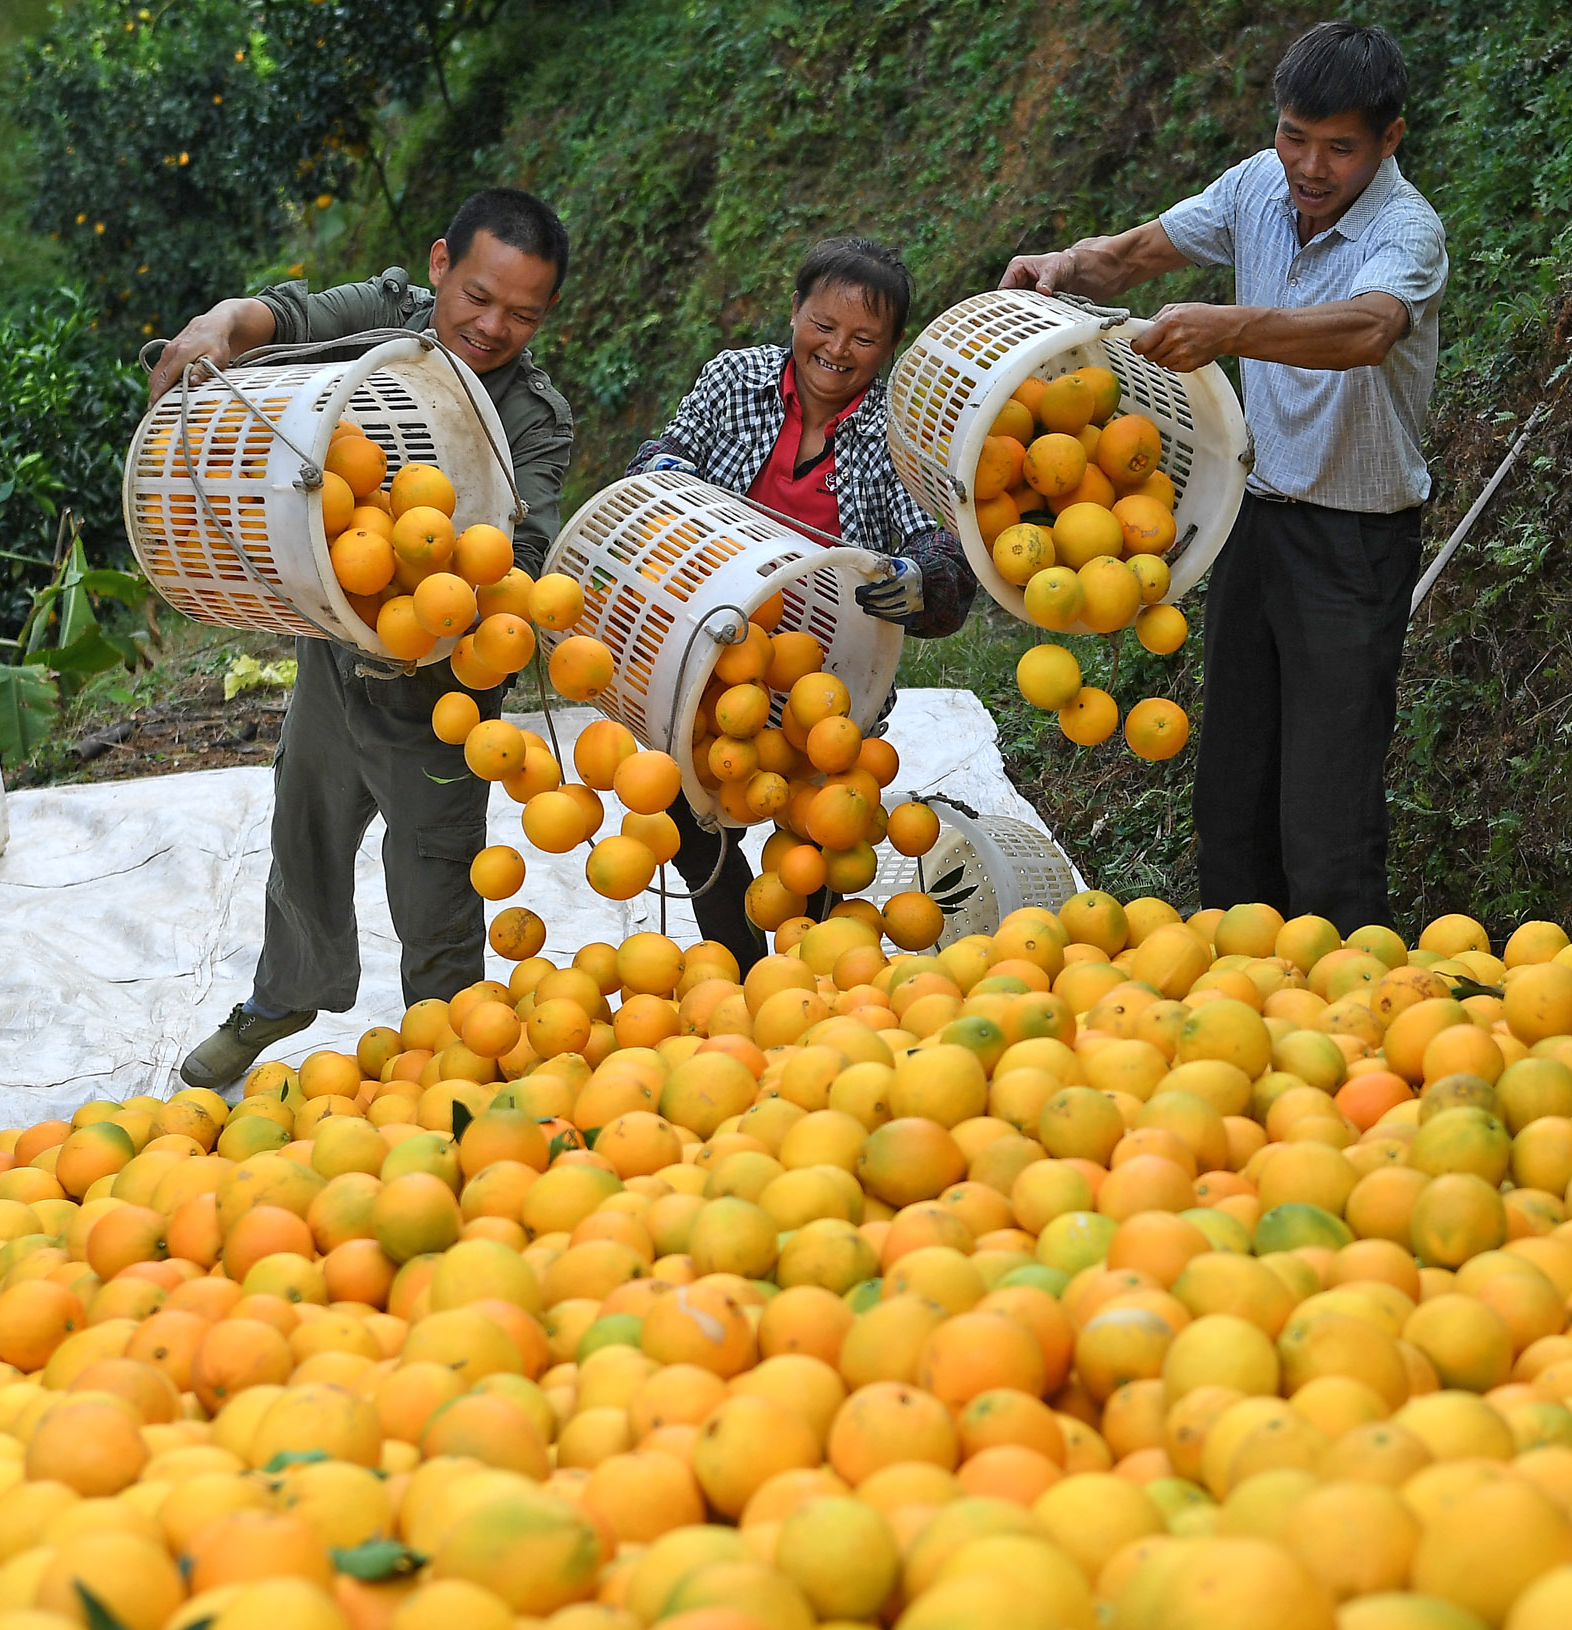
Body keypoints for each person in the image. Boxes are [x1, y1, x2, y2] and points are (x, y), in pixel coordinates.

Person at [1000, 22, 1444, 933]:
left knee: (1327, 812)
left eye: (1339, 147)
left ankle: (1350, 1009)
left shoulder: (1407, 231)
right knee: (1232, 795)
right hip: (1254, 522)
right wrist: (1064, 265)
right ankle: (1240, 999)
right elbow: (1136, 254)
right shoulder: (1256, 185)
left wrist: (1233, 326)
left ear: (1389, 141)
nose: (1310, 166)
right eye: (1293, 135)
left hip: (1353, 545)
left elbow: (1366, 331)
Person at [146, 190, 578, 1093]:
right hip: (333, 647)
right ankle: (281, 999)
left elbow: (522, 554)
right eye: (478, 297)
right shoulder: (392, 319)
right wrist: (223, 322)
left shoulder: (533, 418)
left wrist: (450, 606)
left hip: (446, 687)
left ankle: (451, 1046)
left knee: (435, 874)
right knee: (305, 830)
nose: (493, 327)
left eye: (523, 315)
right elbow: (290, 316)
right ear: (439, 267)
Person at [630, 235, 975, 964]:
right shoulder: (734, 381)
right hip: (713, 656)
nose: (838, 349)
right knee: (696, 825)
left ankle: (809, 986)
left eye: (864, 338)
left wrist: (919, 579)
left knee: (816, 852)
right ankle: (745, 979)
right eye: (823, 324)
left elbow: (942, 553)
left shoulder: (898, 433)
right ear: (794, 312)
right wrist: (662, 471)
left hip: (829, 684)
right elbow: (666, 455)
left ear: (889, 349)